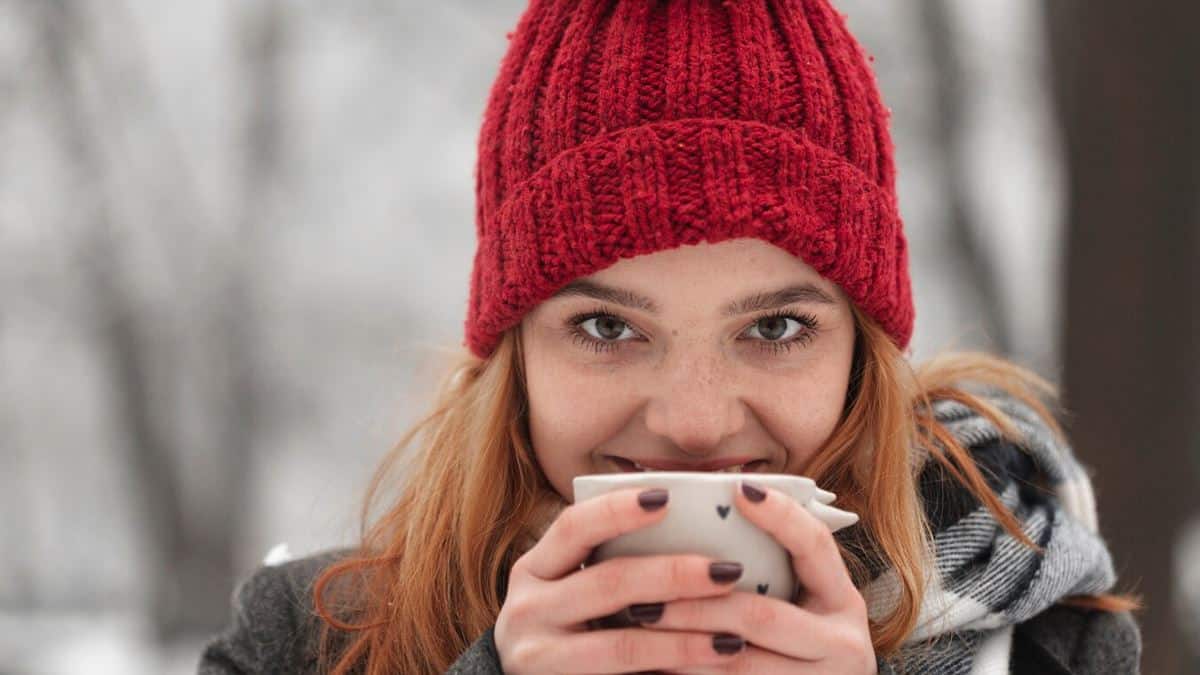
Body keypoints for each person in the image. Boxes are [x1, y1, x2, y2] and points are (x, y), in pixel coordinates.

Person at [197, 0, 1142, 672]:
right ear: (513, 351)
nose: (694, 426)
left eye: (775, 327)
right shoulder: (310, 643)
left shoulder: (1047, 638)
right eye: (608, 326)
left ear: (862, 352)